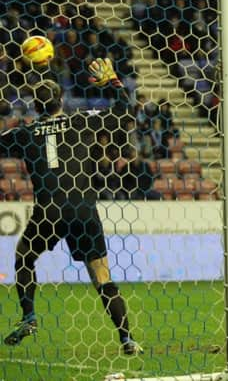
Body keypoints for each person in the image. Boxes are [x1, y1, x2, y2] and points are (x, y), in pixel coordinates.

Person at [0, 58, 142, 354]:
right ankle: (127, 338)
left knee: (24, 257)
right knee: (101, 274)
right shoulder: (84, 120)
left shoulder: (24, 134)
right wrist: (112, 81)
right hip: (83, 208)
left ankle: (29, 316)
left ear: (35, 106)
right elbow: (126, 114)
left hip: (48, 210)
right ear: (61, 99)